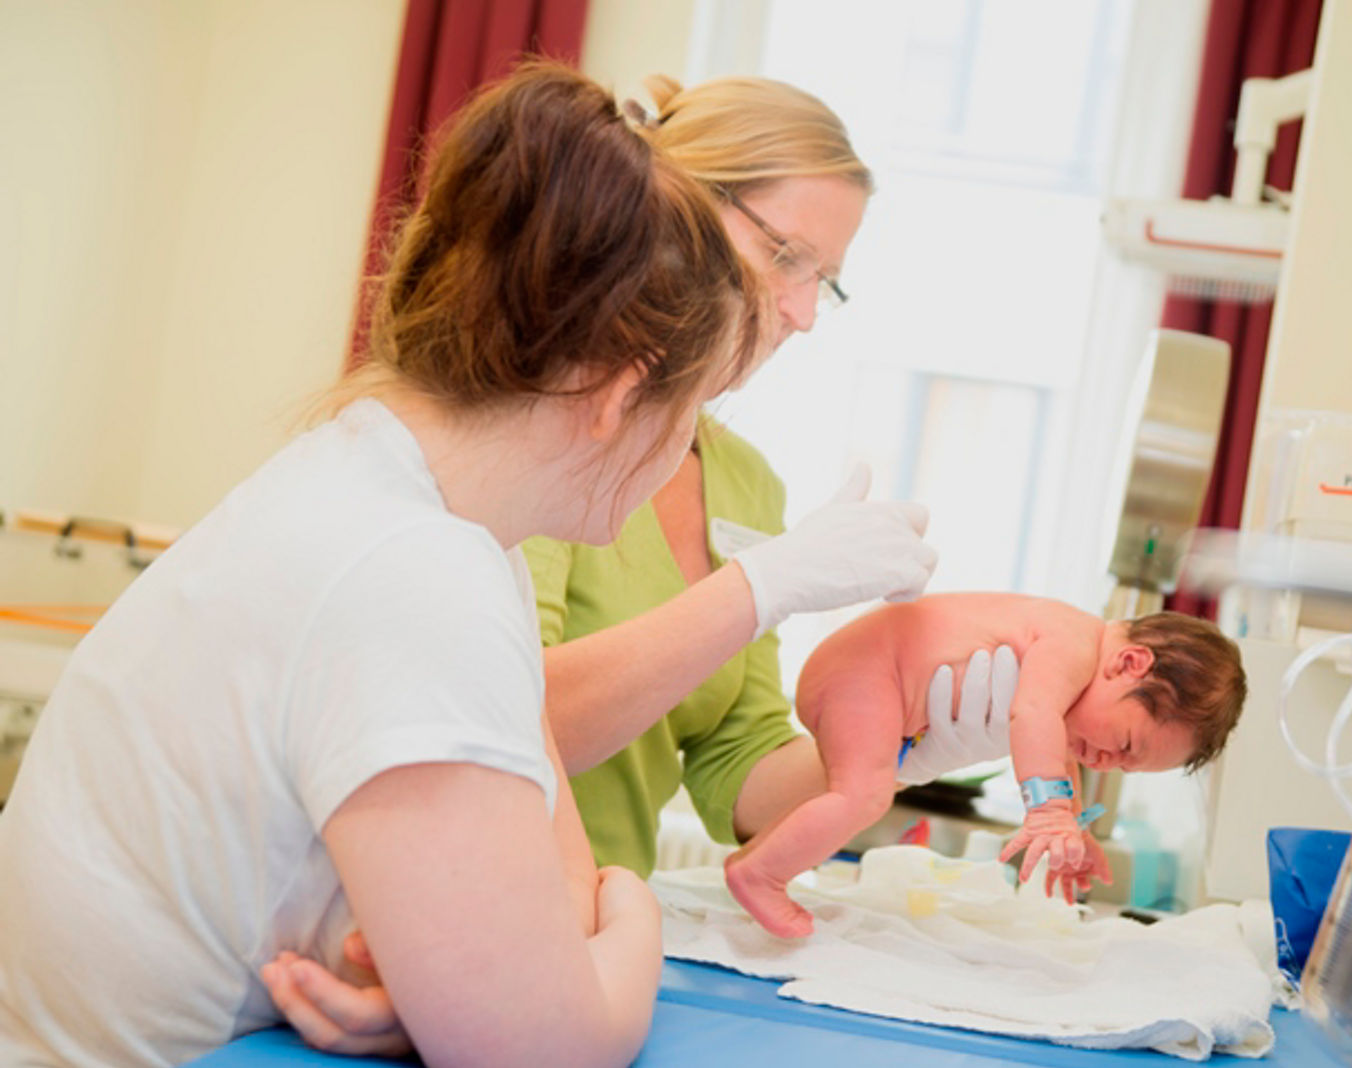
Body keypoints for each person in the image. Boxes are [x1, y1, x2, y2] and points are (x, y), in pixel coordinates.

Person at [0, 61, 931, 1068]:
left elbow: (536, 890)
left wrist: (458, 980)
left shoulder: (399, 495)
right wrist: (631, 911)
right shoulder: (419, 574)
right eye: (685, 406)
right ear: (622, 397)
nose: (686, 447)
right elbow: (546, 1050)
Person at [261, 73, 1015, 1056]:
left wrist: (907, 739)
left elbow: (739, 774)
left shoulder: (742, 480)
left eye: (824, 281)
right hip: (443, 916)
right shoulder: (540, 442)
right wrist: (758, 590)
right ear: (675, 201)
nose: (801, 313)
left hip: (578, 940)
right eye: (785, 256)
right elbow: (499, 714)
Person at [725, 598, 1248, 938]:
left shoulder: (1079, 674)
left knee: (865, 790)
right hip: (866, 671)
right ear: (1130, 664)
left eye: (1127, 768)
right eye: (1126, 744)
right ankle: (760, 874)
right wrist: (1048, 814)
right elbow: (1034, 714)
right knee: (863, 794)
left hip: (874, 684)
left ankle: (756, 858)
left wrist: (1074, 826)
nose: (1109, 763)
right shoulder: (1075, 643)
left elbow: (1058, 747)